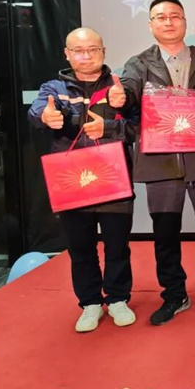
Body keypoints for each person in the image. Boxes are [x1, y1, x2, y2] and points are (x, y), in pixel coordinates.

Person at [121, 0, 195, 325]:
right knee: (165, 232)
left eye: (175, 16)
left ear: (185, 22)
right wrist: (120, 96)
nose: (168, 22)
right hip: (159, 161)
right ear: (151, 25)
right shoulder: (138, 64)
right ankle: (174, 294)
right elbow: (127, 96)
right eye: (161, 17)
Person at [29, 28, 136, 332]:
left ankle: (117, 298)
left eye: (93, 50)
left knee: (117, 246)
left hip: (114, 178)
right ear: (67, 54)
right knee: (80, 248)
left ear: (104, 51)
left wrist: (111, 127)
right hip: (71, 181)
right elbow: (38, 112)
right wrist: (45, 117)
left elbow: (138, 128)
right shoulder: (54, 88)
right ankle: (90, 303)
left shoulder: (120, 87)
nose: (86, 56)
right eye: (78, 50)